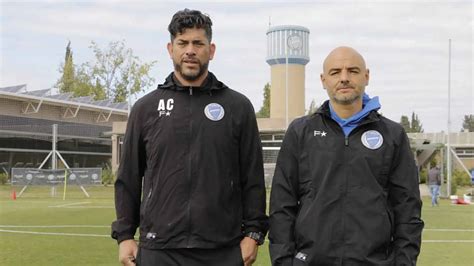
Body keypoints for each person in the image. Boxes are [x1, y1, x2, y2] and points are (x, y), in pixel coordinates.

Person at [111, 9, 268, 266]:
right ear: (170, 48)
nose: (190, 51)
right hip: (159, 248)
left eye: (198, 43)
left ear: (212, 49)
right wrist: (125, 235)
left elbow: (252, 178)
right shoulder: (146, 108)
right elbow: (128, 177)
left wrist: (253, 233)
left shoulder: (238, 107)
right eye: (183, 43)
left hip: (223, 248)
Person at [269, 46, 424, 265]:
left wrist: (404, 261)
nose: (344, 78)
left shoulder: (392, 134)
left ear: (366, 76)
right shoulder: (300, 132)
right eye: (335, 72)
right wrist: (284, 261)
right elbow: (281, 204)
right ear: (323, 80)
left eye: (352, 71)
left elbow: (408, 208)